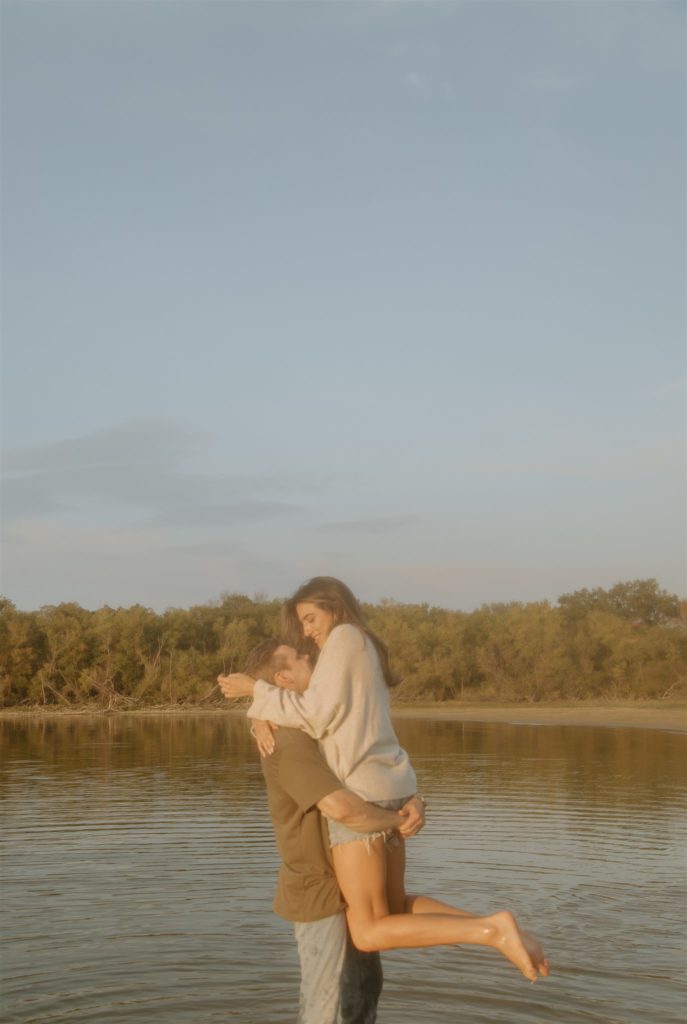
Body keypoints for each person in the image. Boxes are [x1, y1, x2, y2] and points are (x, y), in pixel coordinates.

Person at [219, 577, 549, 983]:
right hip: (393, 788)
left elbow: (315, 713)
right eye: (301, 624)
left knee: (369, 930)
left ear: (335, 607)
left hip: (364, 795)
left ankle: (491, 930)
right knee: (395, 906)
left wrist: (255, 691)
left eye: (310, 618)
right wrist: (257, 713)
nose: (307, 633)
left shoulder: (342, 638)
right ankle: (506, 931)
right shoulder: (362, 646)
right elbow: (319, 704)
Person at [239, 637, 427, 1024]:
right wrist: (397, 821)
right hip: (321, 888)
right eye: (298, 657)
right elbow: (342, 808)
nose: (310, 656)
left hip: (352, 876)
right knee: (330, 1006)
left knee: (362, 996)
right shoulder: (288, 740)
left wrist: (414, 800)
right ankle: (489, 931)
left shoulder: (320, 727)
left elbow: (374, 772)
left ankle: (489, 930)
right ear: (282, 678)